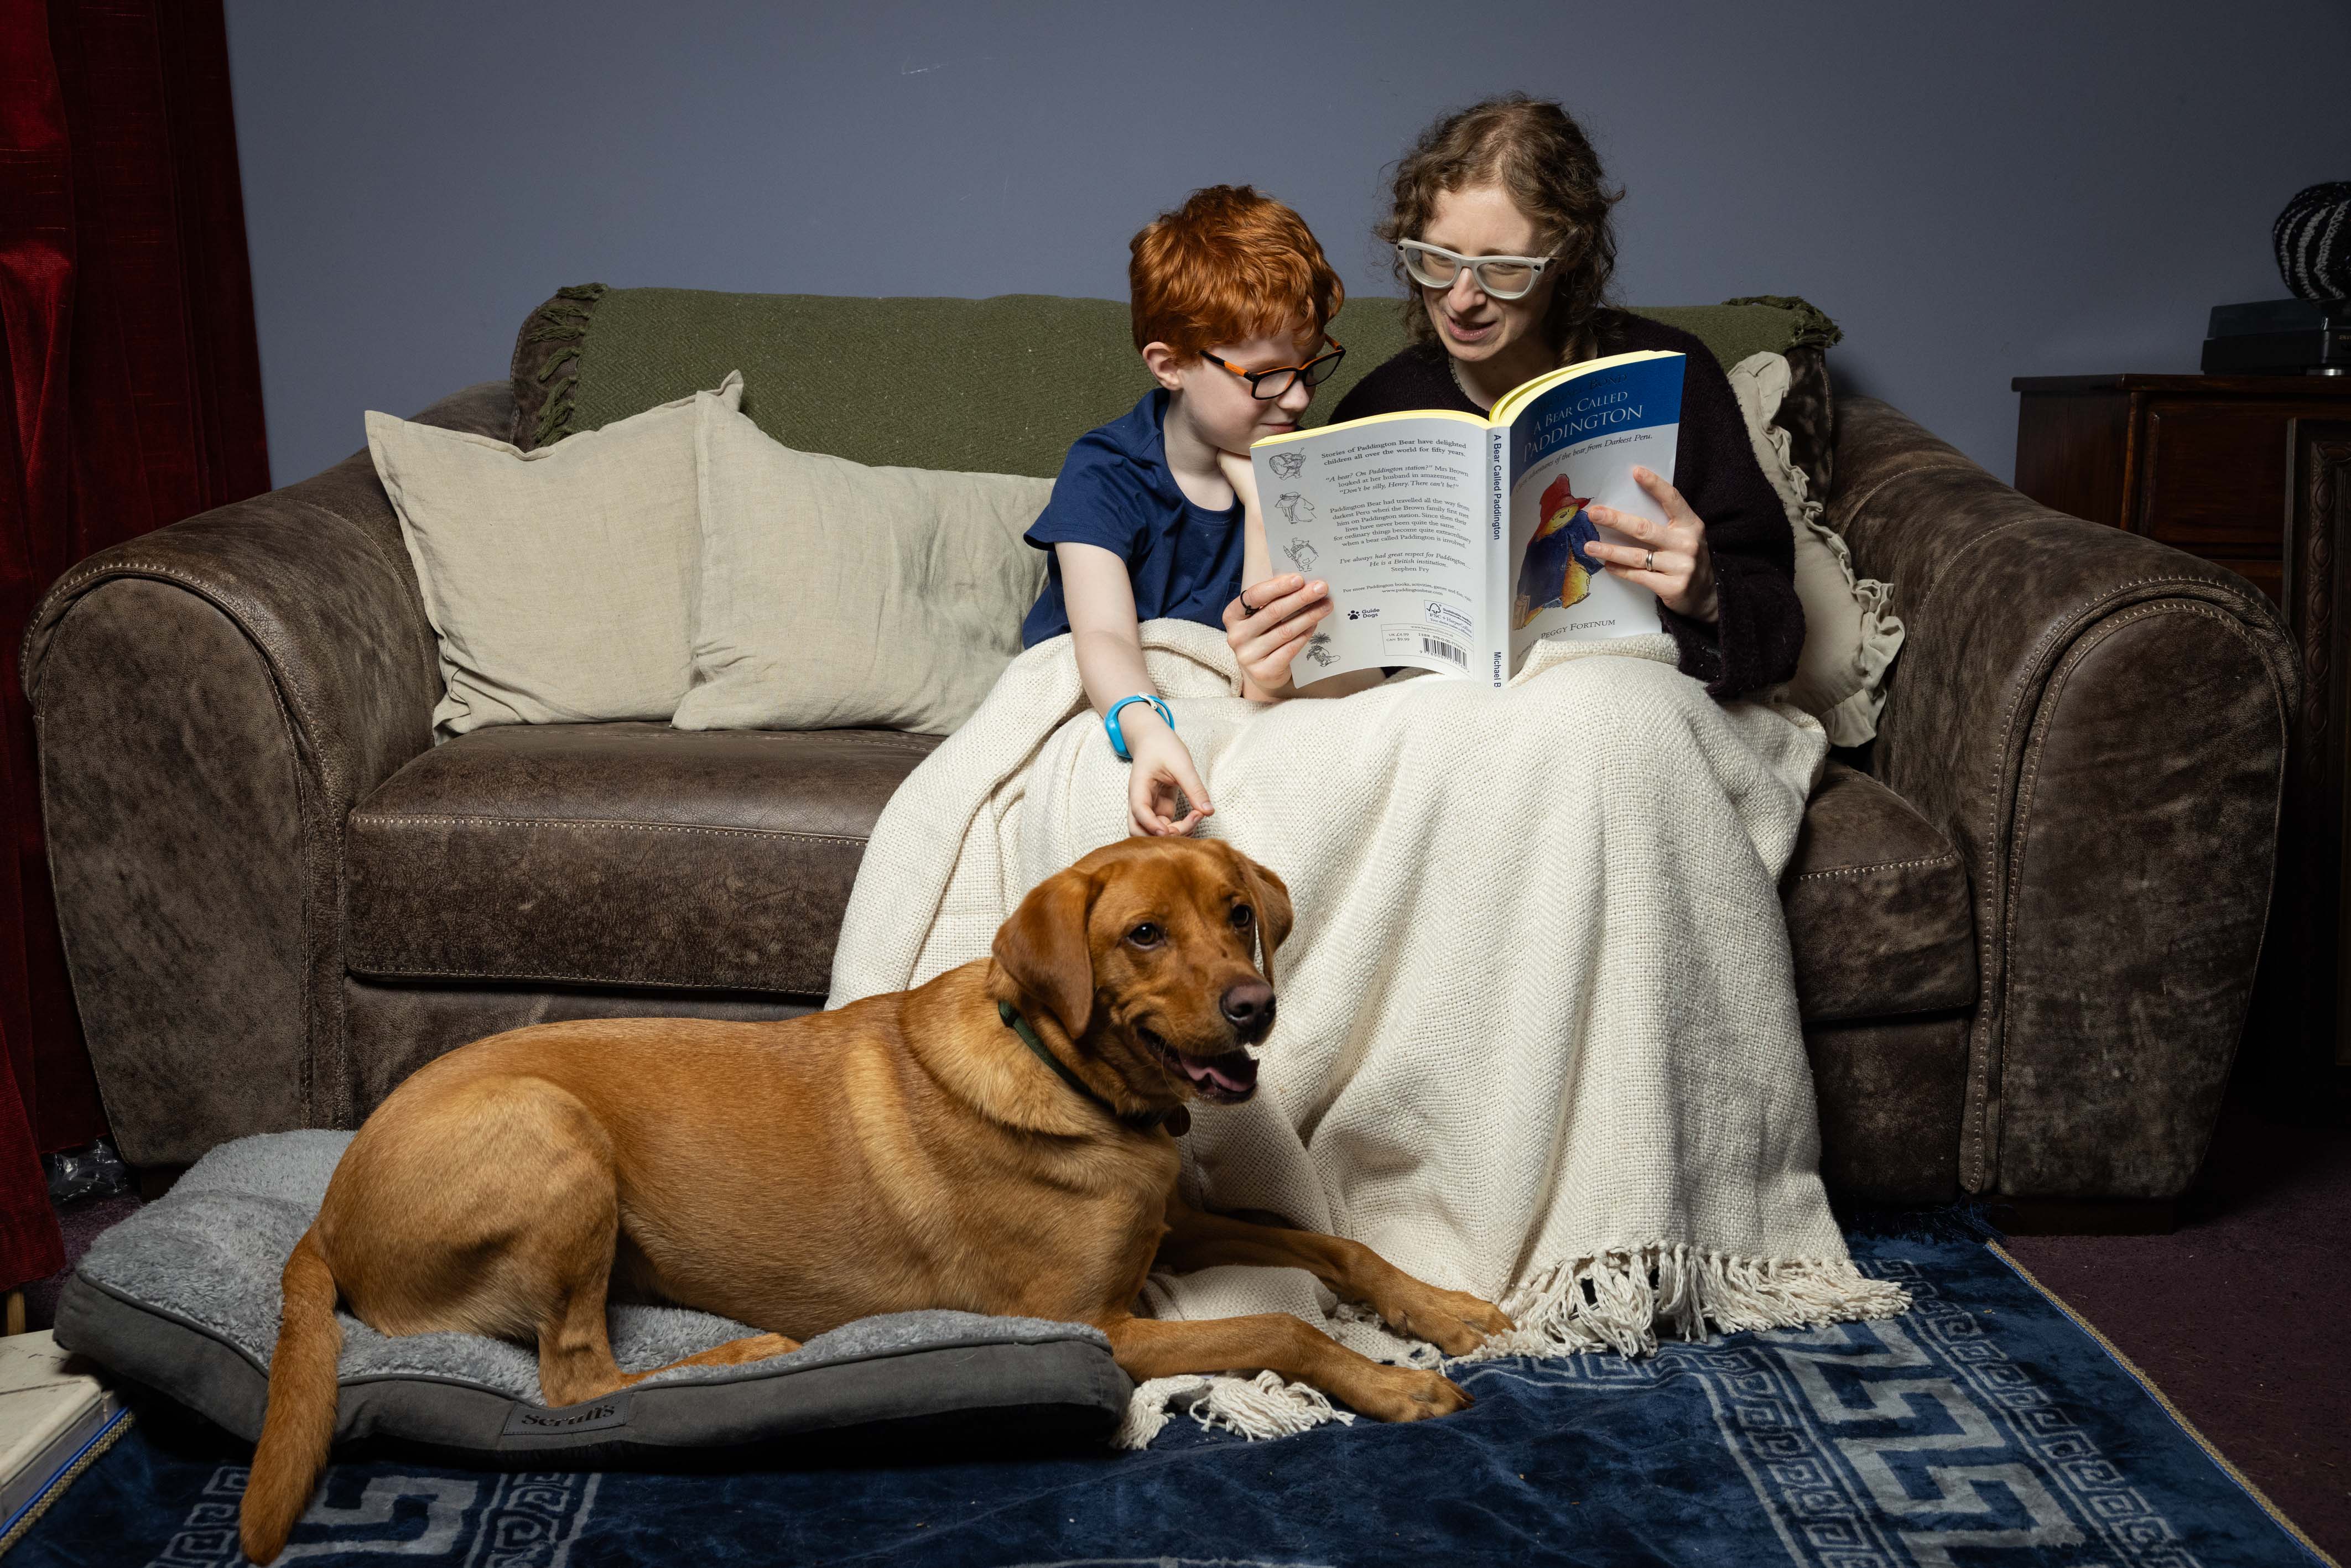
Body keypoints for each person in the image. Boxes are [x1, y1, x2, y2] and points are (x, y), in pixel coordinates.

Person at [1225, 93, 1804, 704]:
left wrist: (1711, 592)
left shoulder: (1670, 376)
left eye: (1501, 268)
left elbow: (1781, 621)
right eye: (1435, 260)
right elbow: (1334, 648)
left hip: (1622, 694)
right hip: (1445, 717)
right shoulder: (1380, 406)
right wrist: (1273, 652)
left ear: (1565, 258)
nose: (1460, 297)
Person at [1020, 185, 1356, 839]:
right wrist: (1145, 727)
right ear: (1169, 365)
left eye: (1309, 368)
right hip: (1118, 700)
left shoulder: (1301, 470)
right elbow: (1105, 639)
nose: (1293, 400)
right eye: (1263, 376)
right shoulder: (1105, 470)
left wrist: (1262, 504)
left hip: (1242, 711)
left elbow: (1265, 691)